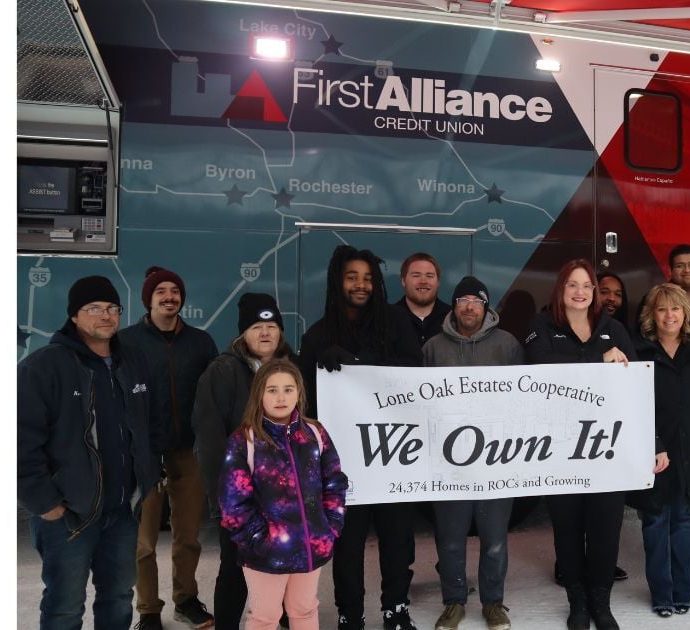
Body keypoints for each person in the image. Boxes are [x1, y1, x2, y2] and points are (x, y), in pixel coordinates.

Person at [18, 276, 162, 630]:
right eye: (94, 308)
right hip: (68, 515)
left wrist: (147, 479)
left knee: (118, 599)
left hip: (123, 512)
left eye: (112, 308)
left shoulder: (133, 361)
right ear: (74, 315)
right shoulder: (44, 366)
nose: (106, 316)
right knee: (65, 608)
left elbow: (149, 425)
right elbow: (18, 440)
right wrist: (45, 502)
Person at [298, 245, 423, 630]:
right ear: (338, 282)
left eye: (368, 278)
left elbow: (414, 373)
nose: (361, 285)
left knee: (397, 539)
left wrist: (361, 364)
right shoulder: (318, 336)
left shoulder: (395, 323)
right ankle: (350, 613)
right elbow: (306, 406)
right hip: (344, 464)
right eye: (352, 277)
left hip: (394, 454)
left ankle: (396, 608)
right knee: (348, 545)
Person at [524, 259, 635, 630]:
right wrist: (597, 360)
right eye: (572, 284)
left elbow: (636, 387)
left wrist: (651, 440)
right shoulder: (542, 326)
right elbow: (540, 367)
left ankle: (601, 602)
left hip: (607, 448)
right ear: (561, 289)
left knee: (605, 530)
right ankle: (577, 602)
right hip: (560, 448)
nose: (580, 292)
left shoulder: (614, 329)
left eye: (587, 285)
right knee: (568, 529)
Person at [119, 267, 218, 630]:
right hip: (142, 453)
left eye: (174, 290)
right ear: (148, 299)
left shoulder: (201, 342)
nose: (169, 296)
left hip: (188, 451)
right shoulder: (125, 342)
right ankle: (148, 610)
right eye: (160, 290)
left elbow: (212, 394)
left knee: (188, 534)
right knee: (143, 540)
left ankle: (186, 600)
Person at [422, 277, 523, 630]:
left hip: (496, 460)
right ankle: (454, 602)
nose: (469, 307)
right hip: (449, 464)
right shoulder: (433, 348)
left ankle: (493, 603)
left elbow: (525, 398)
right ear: (454, 306)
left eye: (476, 301)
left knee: (494, 540)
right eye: (463, 300)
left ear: (486, 306)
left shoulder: (508, 345)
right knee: (450, 540)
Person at [218, 359, 349, 630]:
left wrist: (330, 527)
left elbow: (334, 481)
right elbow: (233, 504)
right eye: (272, 390)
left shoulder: (315, 433)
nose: (281, 397)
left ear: (298, 393)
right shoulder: (244, 441)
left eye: (288, 389)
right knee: (265, 616)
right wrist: (259, 540)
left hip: (311, 546)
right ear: (259, 394)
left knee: (304, 610)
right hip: (266, 554)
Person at [192, 293, 297, 630]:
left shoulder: (294, 369)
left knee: (287, 563)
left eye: (272, 326)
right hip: (242, 495)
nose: (265, 333)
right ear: (243, 334)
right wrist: (223, 498)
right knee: (236, 567)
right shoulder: (221, 372)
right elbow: (209, 442)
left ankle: (282, 619)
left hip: (287, 494)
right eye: (256, 327)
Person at [630, 284, 690, 618]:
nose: (669, 316)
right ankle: (662, 595)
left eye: (675, 308)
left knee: (685, 523)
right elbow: (629, 405)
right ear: (651, 315)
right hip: (653, 454)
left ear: (685, 313)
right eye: (661, 309)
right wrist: (651, 444)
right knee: (655, 522)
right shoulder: (638, 351)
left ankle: (682, 592)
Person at [395, 252, 452, 346]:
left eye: (429, 276)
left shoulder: (452, 318)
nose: (423, 281)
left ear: (438, 282)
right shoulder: (387, 318)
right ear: (403, 281)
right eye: (416, 275)